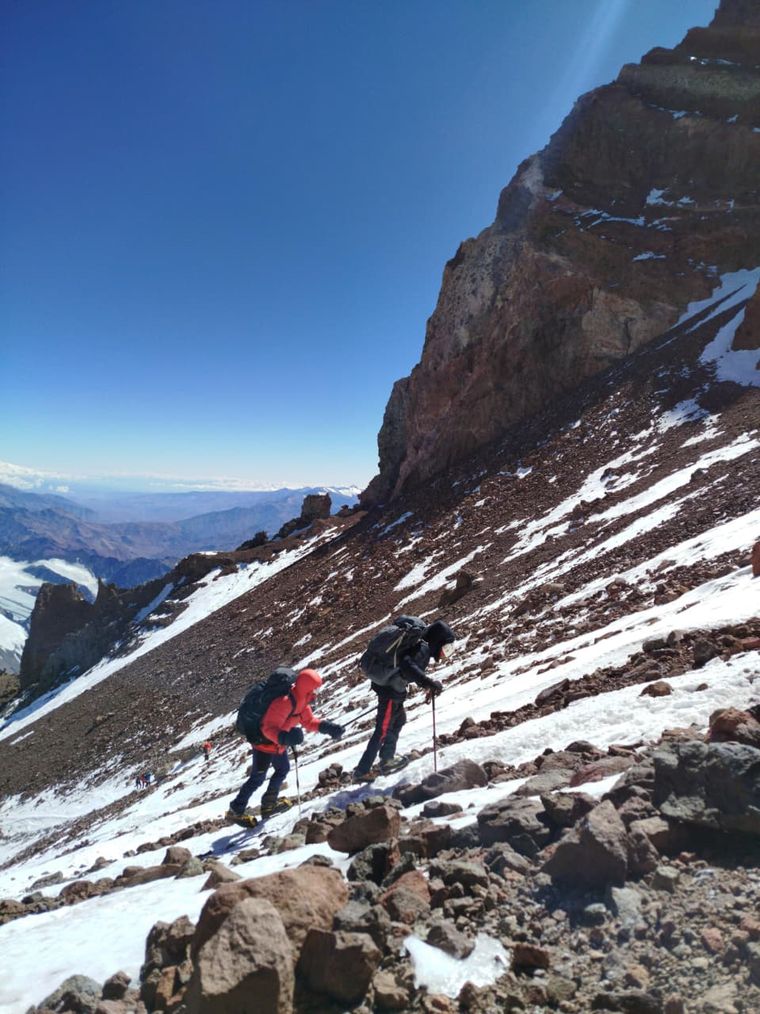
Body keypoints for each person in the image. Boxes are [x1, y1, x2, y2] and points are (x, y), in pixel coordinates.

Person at [227, 668, 343, 824]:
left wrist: (328, 728)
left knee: (282, 769)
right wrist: (285, 737)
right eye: (314, 689)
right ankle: (235, 810)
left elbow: (309, 722)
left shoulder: (302, 703)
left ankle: (269, 804)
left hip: (278, 746)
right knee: (258, 778)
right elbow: (267, 728)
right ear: (306, 688)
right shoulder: (284, 702)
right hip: (264, 745)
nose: (316, 693)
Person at [353, 619, 456, 781]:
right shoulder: (423, 649)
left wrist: (426, 684)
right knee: (383, 729)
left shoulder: (421, 646)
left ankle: (387, 759)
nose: (445, 653)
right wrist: (427, 683)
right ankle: (362, 771)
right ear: (438, 641)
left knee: (399, 720)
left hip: (391, 688)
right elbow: (407, 666)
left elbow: (408, 668)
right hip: (390, 692)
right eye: (446, 648)